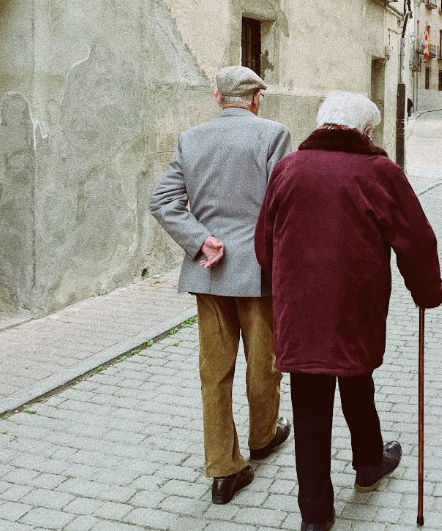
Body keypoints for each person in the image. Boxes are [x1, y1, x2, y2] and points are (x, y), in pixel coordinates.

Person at [255, 91, 442, 531]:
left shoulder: (288, 169)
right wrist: (427, 291)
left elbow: (264, 243)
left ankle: (316, 516)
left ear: (322, 125)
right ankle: (368, 462)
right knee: (357, 378)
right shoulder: (379, 170)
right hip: (355, 304)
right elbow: (417, 239)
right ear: (365, 131)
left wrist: (281, 277)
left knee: (309, 404)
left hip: (300, 310)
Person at [150, 65, 293, 505]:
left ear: (216, 97)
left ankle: (223, 469)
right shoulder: (275, 134)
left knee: (214, 372)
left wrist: (200, 239)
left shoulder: (190, 138)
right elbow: (282, 203)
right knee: (263, 361)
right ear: (256, 99)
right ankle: (262, 437)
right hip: (259, 272)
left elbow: (162, 202)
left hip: (209, 271)